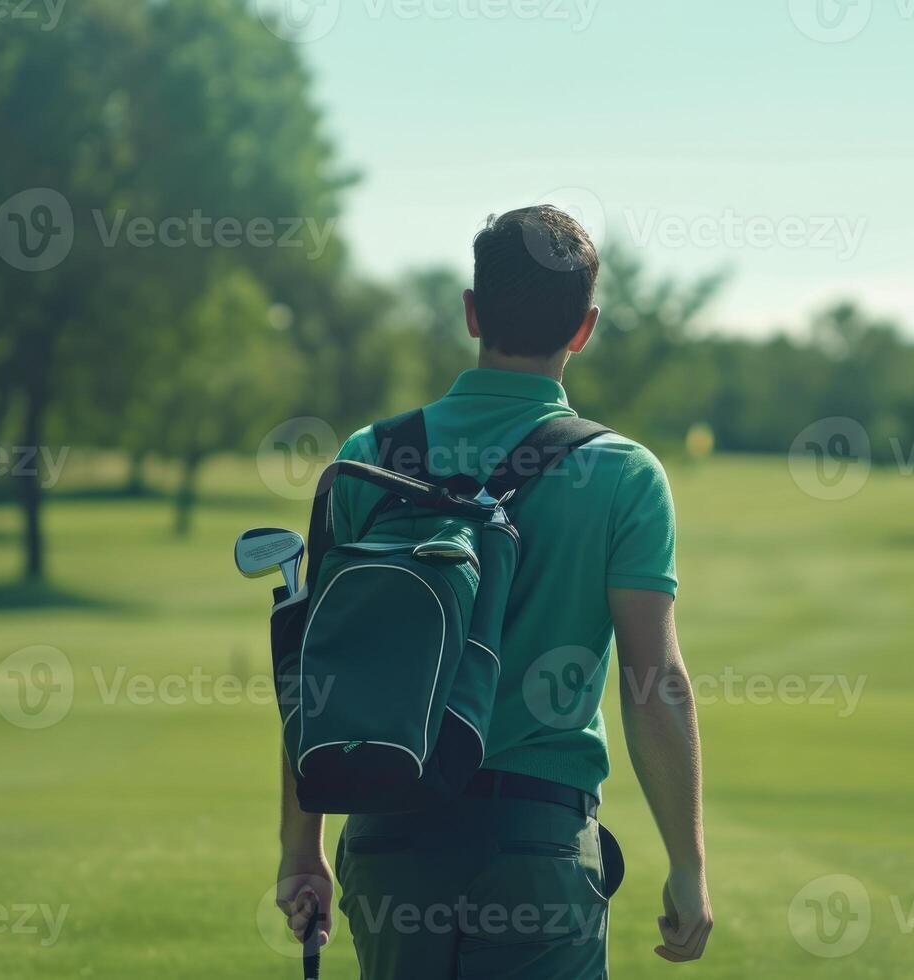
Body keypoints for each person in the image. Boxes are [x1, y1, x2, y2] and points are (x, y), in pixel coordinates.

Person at [274, 205, 712, 978]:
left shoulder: (370, 456)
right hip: (537, 843)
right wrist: (688, 863)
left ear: (472, 311)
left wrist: (301, 850)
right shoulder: (623, 474)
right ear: (585, 327)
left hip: (389, 836)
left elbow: (322, 672)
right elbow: (657, 682)